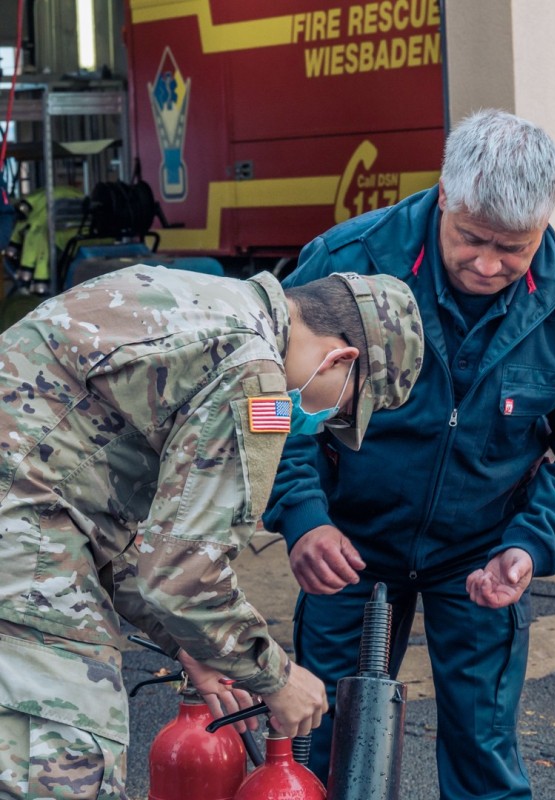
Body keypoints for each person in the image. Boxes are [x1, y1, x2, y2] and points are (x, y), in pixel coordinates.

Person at [264, 109, 555, 798]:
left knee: (482, 749)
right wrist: (302, 516)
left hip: (482, 553)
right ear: (444, 194)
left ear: (546, 223)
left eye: (513, 248)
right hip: (346, 540)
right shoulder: (348, 260)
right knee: (324, 740)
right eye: (471, 238)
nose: (488, 264)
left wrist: (530, 544)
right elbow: (270, 405)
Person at [0, 264, 424, 799]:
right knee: (67, 760)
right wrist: (277, 677)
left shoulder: (200, 300)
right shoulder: (254, 374)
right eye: (341, 410)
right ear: (341, 359)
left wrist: (190, 644)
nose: (322, 424)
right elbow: (183, 572)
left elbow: (116, 529)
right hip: (24, 545)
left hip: (27, 526)